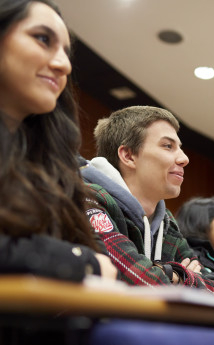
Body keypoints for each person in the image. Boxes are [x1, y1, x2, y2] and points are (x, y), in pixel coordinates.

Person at [0, 0, 117, 282]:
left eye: (66, 52)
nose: (63, 64)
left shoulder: (53, 160)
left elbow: (91, 247)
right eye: (43, 39)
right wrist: (86, 263)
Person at [80, 106, 214, 293]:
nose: (184, 159)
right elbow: (138, 282)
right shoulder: (88, 199)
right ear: (128, 156)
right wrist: (182, 275)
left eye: (180, 148)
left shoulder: (165, 221)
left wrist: (172, 275)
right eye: (168, 146)